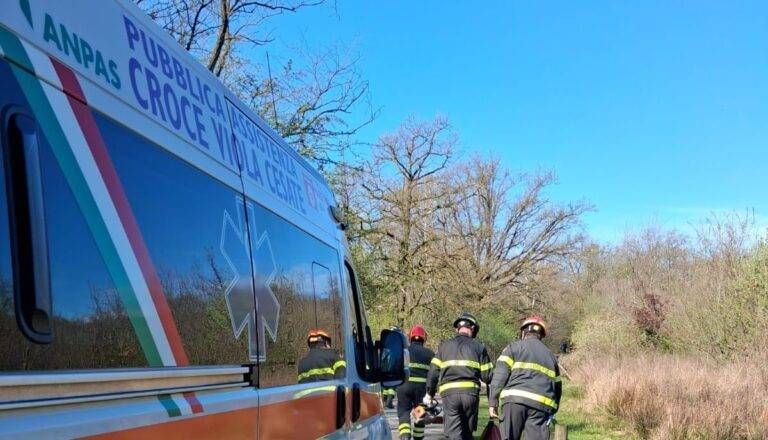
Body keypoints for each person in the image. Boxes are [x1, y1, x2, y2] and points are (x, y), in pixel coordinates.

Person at [488, 316, 562, 440]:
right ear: (541, 335)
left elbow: (499, 376)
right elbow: (558, 388)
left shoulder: (513, 348)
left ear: (523, 332)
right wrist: (553, 410)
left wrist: (493, 402)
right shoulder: (551, 357)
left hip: (513, 402)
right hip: (540, 407)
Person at [425, 313, 493, 440]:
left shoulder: (443, 346)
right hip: (470, 395)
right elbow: (487, 376)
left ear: (457, 329)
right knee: (467, 432)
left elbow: (433, 371)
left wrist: (430, 393)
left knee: (454, 434)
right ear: (472, 329)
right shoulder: (479, 347)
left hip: (449, 395)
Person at [396, 325, 434, 440]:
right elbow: (433, 374)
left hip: (404, 387)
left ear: (410, 337)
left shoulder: (404, 351)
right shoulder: (430, 353)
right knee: (420, 413)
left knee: (404, 412)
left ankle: (405, 436)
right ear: (424, 338)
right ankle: (418, 438)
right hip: (421, 390)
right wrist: (431, 392)